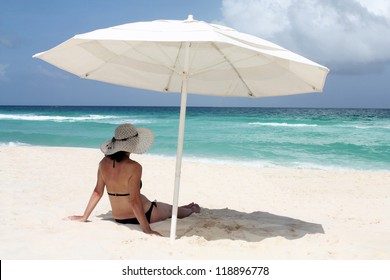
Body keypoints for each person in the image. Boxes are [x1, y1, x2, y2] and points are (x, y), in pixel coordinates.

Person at [68, 123, 200, 236]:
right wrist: (147, 229)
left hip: (119, 217)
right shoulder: (134, 167)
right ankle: (192, 209)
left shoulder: (103, 163)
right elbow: (134, 201)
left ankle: (185, 207)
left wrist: (84, 217)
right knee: (171, 211)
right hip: (145, 214)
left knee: (168, 207)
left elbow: (98, 192)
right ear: (132, 145)